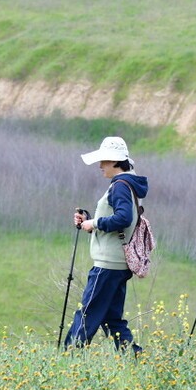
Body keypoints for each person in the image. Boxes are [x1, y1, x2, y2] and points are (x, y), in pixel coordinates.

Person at [65, 136, 149, 353]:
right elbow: (118, 222)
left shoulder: (120, 186)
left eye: (103, 161)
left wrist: (94, 222)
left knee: (88, 313)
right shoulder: (129, 184)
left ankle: (69, 357)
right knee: (112, 319)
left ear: (114, 161)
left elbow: (123, 219)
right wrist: (90, 222)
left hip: (108, 266)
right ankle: (134, 357)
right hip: (117, 264)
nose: (100, 166)